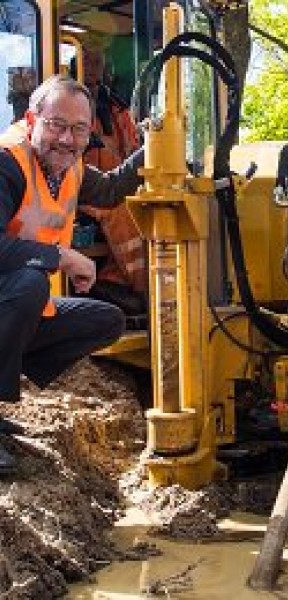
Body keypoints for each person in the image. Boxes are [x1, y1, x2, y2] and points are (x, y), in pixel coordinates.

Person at [0, 75, 144, 475]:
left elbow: (111, 191)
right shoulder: (6, 163)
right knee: (30, 285)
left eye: (79, 129)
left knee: (104, 320)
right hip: (11, 295)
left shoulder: (70, 169)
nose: (67, 138)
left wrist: (155, 149)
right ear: (32, 119)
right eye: (56, 125)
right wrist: (61, 256)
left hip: (11, 304)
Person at [77, 46, 147, 315]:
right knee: (121, 213)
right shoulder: (71, 107)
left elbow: (131, 147)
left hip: (110, 184)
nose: (92, 67)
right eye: (86, 61)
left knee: (146, 204)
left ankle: (113, 281)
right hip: (83, 192)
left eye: (96, 62)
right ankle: (143, 290)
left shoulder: (117, 109)